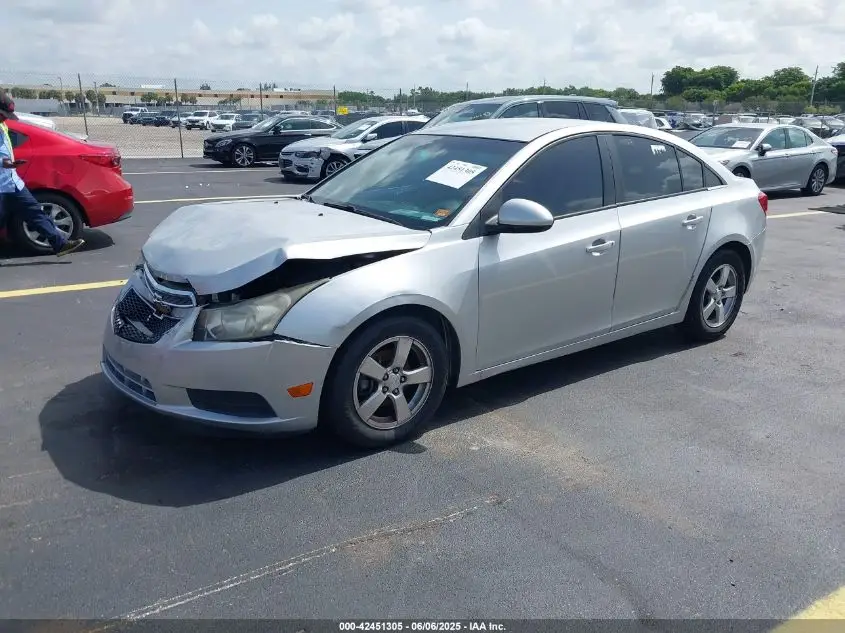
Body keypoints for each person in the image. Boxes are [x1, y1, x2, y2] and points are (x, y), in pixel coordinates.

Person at [0, 91, 84, 257]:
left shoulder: (2, 125)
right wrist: (4, 163)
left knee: (35, 212)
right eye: (3, 115)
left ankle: (60, 245)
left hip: (12, 182)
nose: (6, 118)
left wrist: (9, 163)